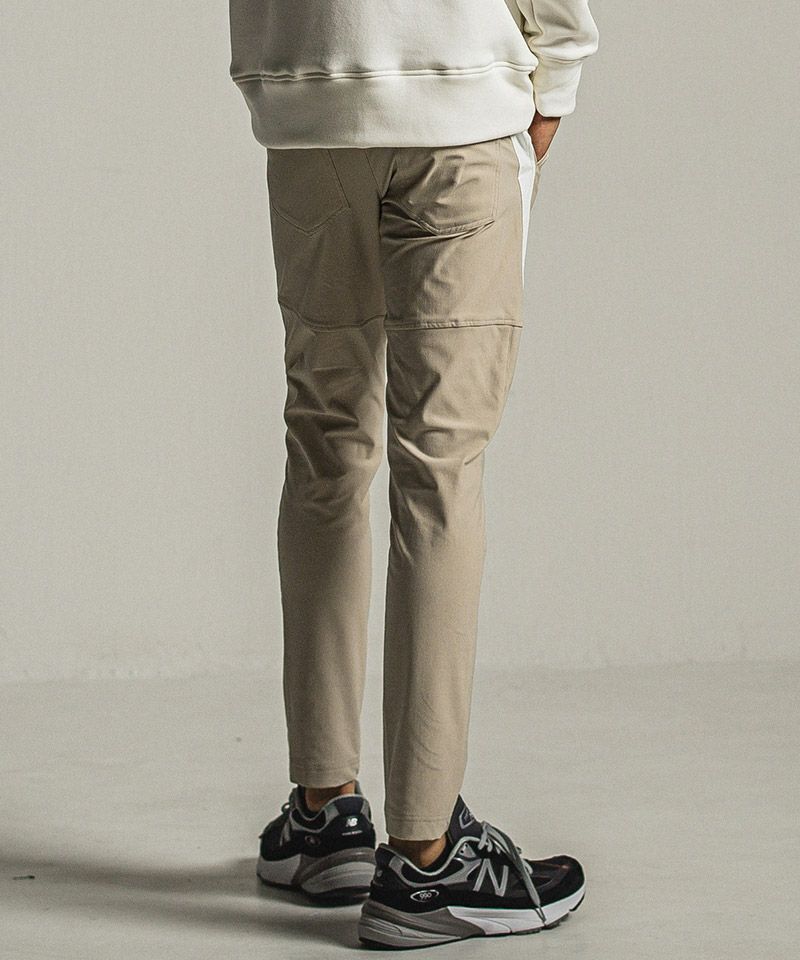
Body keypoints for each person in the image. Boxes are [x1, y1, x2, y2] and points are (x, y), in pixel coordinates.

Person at [228, 0, 599, 948]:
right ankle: (426, 862)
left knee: (324, 445)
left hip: (309, 111)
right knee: (439, 470)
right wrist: (555, 76)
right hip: (455, 107)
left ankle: (324, 813)